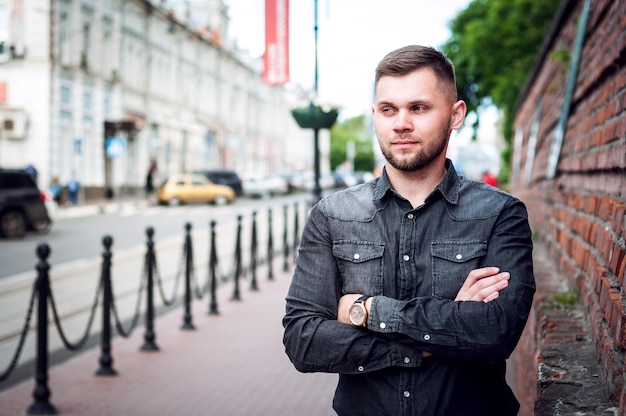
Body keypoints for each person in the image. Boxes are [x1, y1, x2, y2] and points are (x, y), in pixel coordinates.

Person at [282, 45, 535, 416]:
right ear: (374, 117)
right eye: (388, 110)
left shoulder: (500, 214)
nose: (401, 123)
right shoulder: (332, 215)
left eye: (418, 108)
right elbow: (304, 341)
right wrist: (443, 328)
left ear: (455, 114)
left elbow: (496, 332)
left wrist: (367, 311)